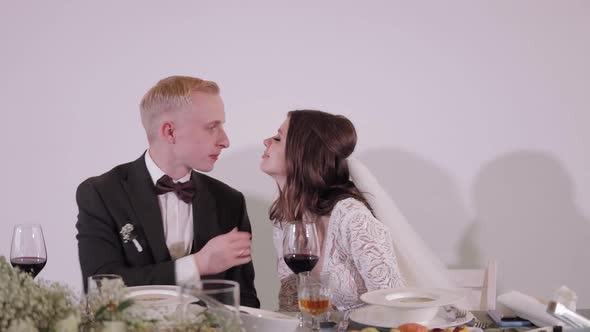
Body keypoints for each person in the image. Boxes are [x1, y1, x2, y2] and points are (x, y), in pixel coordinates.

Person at [76, 75, 260, 308]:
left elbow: (244, 301)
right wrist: (198, 265)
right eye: (212, 127)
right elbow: (100, 288)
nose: (225, 140)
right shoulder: (101, 193)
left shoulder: (229, 201)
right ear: (169, 132)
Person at [260, 109, 406, 311]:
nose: (266, 141)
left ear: (303, 153)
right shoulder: (284, 218)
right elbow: (291, 298)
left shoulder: (352, 218)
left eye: (277, 138)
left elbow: (394, 307)